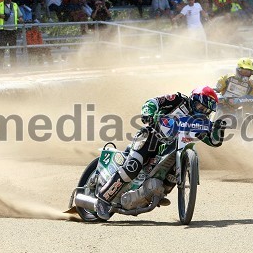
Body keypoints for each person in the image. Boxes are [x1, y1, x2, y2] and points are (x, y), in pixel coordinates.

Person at [95, 86, 226, 220]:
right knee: (132, 166)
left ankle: (154, 192)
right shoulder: (179, 100)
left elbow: (213, 141)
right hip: (151, 137)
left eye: (207, 110)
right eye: (201, 107)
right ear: (194, 99)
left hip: (172, 148)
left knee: (173, 173)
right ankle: (103, 199)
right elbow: (153, 102)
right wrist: (149, 114)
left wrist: (218, 130)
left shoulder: (200, 123)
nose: (202, 112)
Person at [214, 57, 253, 123]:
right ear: (238, 70)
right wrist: (219, 97)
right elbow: (215, 90)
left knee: (248, 106)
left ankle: (250, 129)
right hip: (224, 105)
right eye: (244, 72)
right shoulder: (227, 78)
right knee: (220, 108)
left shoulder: (252, 84)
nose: (246, 75)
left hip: (237, 109)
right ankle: (214, 126)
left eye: (248, 73)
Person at [0, 0, 24, 69]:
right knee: (2, 49)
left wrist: (21, 19)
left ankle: (14, 67)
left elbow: (20, 15)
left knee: (13, 50)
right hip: (3, 30)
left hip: (13, 30)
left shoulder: (15, 5)